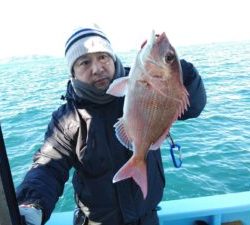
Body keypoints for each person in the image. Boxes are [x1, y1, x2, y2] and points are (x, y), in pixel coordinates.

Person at [16, 24, 207, 225]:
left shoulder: (138, 81)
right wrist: (31, 203)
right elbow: (48, 164)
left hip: (148, 219)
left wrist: (177, 69)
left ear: (113, 58)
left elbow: (194, 106)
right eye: (84, 62)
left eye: (103, 57)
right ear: (73, 73)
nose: (97, 68)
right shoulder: (67, 119)